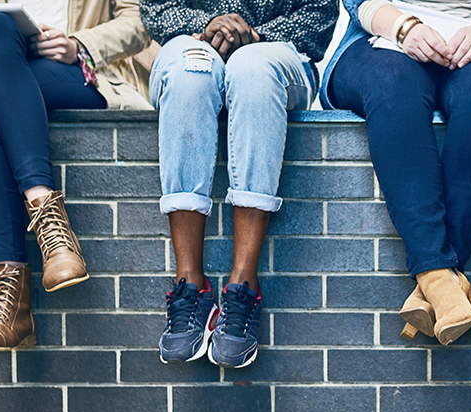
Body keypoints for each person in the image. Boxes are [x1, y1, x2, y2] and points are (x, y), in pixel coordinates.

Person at [321, 0, 471, 345]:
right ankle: (443, 280)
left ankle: (435, 280)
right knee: (393, 83)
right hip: (383, 37)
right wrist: (404, 28)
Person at [142, 0, 337, 367]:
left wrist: (255, 35)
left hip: (279, 51)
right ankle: (190, 287)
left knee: (252, 69)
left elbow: (321, 12)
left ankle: (243, 286)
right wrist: (211, 25)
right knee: (191, 69)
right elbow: (156, 7)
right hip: (192, 42)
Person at [0, 0, 152, 352]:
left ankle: (11, 301)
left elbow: (139, 20)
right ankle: (52, 230)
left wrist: (80, 44)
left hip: (70, 68)